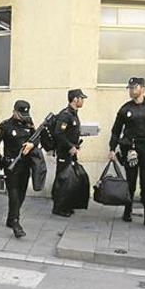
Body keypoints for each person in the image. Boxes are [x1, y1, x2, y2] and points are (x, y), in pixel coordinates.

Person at [108, 77, 145, 229]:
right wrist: (112, 149)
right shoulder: (125, 109)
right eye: (129, 88)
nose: (131, 90)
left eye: (134, 87)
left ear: (142, 88)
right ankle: (127, 211)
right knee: (131, 181)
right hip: (131, 149)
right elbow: (116, 131)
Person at [0, 100, 36, 237]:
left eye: (25, 114)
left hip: (25, 165)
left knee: (21, 194)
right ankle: (16, 222)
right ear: (14, 112)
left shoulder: (29, 123)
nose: (23, 117)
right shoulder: (5, 126)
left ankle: (11, 218)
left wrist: (32, 144)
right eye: (20, 114)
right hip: (11, 166)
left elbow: (37, 139)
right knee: (13, 195)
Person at [52, 89, 87, 218]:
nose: (83, 101)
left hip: (71, 152)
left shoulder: (74, 114)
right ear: (75, 99)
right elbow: (58, 133)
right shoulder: (65, 115)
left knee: (69, 180)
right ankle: (58, 208)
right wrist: (70, 146)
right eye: (81, 98)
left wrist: (75, 145)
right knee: (62, 179)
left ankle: (66, 205)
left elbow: (70, 133)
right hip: (63, 153)